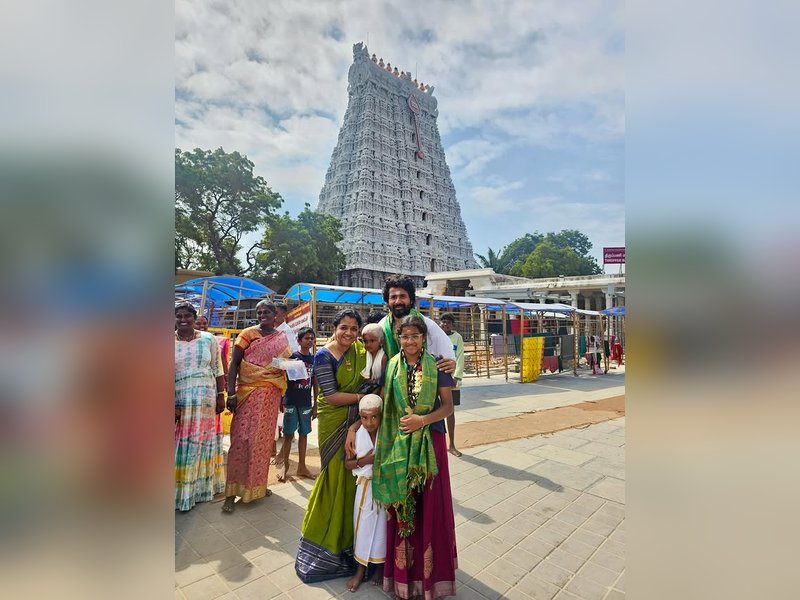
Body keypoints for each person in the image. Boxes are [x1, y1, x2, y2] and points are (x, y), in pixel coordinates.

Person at [353, 315, 457, 599]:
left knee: (429, 508)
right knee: (402, 508)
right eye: (404, 336)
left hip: (429, 444)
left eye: (415, 336)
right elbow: (385, 407)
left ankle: (429, 581)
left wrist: (421, 421)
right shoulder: (392, 367)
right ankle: (403, 580)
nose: (410, 341)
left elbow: (447, 407)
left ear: (424, 337)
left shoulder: (438, 366)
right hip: (398, 444)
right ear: (398, 339)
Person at [295, 309, 368, 583]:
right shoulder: (324, 355)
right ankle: (326, 544)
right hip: (334, 424)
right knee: (333, 478)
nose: (348, 333)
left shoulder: (361, 351)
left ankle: (352, 543)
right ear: (334, 327)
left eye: (354, 328)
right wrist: (364, 396)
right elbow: (333, 396)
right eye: (344, 327)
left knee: (352, 482)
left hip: (358, 424)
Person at [222, 300, 291, 513]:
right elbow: (234, 364)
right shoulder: (247, 334)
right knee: (241, 441)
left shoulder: (281, 338)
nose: (262, 315)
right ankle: (231, 493)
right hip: (246, 393)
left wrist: (290, 368)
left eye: (267, 311)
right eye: (259, 312)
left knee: (262, 442)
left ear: (275, 314)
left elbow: (282, 366)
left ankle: (258, 487)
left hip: (270, 395)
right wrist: (231, 393)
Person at [174, 302, 226, 511]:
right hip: (180, 401)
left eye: (188, 316)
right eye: (179, 316)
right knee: (180, 446)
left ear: (195, 318)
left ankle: (200, 491)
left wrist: (221, 396)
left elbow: (217, 368)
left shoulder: (208, 339)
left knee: (202, 443)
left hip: (206, 400)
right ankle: (180, 493)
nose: (183, 319)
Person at [343, 394, 386, 593]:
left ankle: (379, 567)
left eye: (374, 417)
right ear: (360, 416)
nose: (369, 422)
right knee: (362, 527)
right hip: (364, 487)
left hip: (384, 487)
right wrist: (366, 461)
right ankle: (360, 570)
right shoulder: (356, 433)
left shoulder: (386, 432)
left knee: (383, 528)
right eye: (365, 418)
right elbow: (347, 463)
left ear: (381, 415)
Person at [379, 274, 456, 369]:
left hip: (423, 379)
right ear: (387, 301)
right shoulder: (382, 327)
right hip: (390, 381)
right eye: (393, 297)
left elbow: (447, 355)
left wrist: (451, 364)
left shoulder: (428, 325)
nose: (398, 301)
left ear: (411, 300)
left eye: (402, 296)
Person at [276, 327, 318, 481]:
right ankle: (285, 466)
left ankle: (302, 466)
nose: (310, 341)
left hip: (306, 402)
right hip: (291, 401)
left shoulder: (314, 360)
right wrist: (281, 398)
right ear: (299, 341)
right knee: (288, 434)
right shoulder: (292, 358)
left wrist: (316, 405)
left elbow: (315, 382)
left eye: (312, 338)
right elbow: (283, 378)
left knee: (304, 434)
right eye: (306, 338)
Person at [439, 313, 464, 458]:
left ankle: (452, 444)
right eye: (442, 322)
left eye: (447, 323)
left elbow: (460, 357)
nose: (444, 325)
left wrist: (457, 377)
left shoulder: (457, 338)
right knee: (436, 411)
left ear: (452, 325)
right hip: (438, 379)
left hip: (452, 379)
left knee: (450, 412)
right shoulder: (436, 337)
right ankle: (439, 445)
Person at [359, 322, 387, 390]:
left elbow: (384, 380)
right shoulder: (363, 354)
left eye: (372, 341)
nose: (368, 344)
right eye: (365, 341)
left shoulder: (383, 358)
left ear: (381, 341)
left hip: (378, 389)